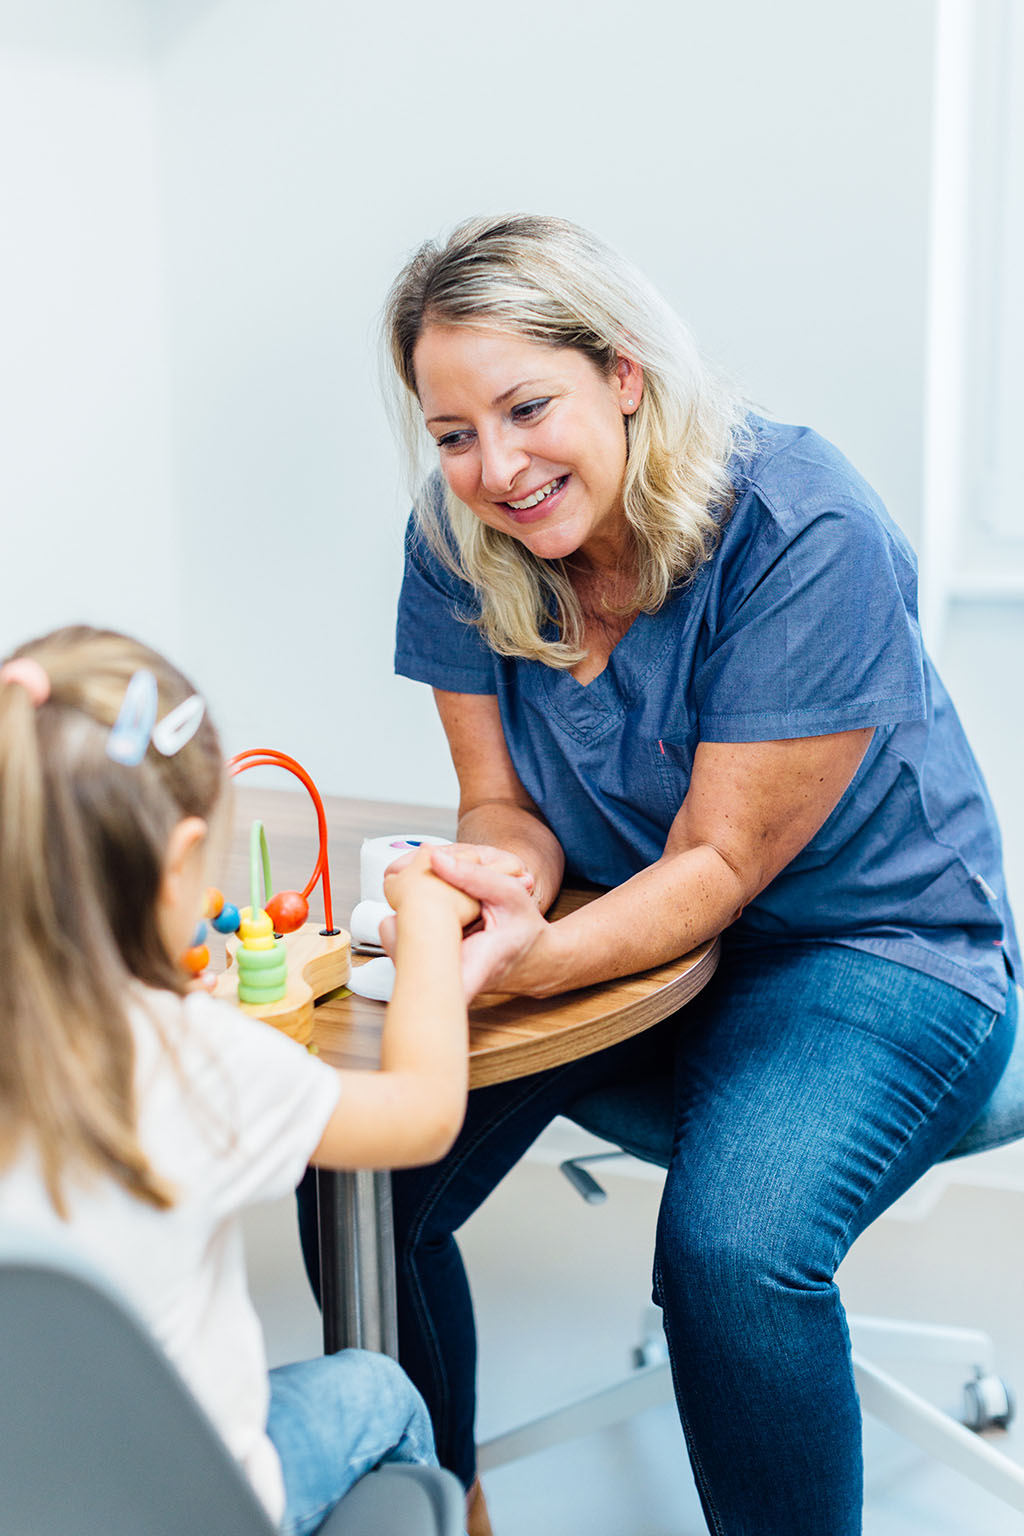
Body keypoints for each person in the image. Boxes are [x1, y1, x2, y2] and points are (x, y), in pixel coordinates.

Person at [375, 214, 1021, 1536]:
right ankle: (443, 1510)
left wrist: (540, 957)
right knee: (368, 1186)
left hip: (875, 952)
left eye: (526, 407)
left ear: (621, 372)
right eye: (452, 434)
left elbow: (721, 862)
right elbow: (504, 802)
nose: (494, 467)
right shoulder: (455, 540)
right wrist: (495, 892)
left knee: (733, 1255)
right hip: (633, 933)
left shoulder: (797, 522)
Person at [0, 624, 510, 1536]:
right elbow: (424, 1115)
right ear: (174, 870)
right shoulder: (194, 1059)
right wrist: (428, 927)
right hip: (187, 1509)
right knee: (378, 1389)